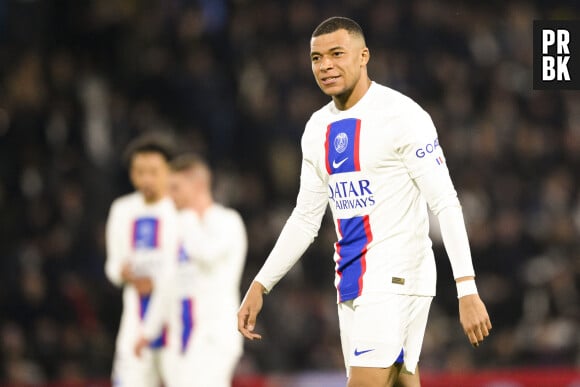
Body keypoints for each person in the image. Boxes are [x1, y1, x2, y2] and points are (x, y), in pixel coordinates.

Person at [237, 16, 492, 387]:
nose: (326, 65)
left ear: (363, 56)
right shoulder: (316, 128)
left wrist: (466, 288)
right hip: (351, 281)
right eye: (316, 58)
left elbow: (446, 203)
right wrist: (260, 284)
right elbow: (306, 219)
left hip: (396, 276)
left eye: (337, 54)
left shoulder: (402, 115)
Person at [135, 153, 248, 387]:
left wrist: (186, 219)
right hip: (181, 337)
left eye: (175, 187)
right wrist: (148, 331)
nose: (169, 196)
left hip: (213, 335)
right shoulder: (178, 227)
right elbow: (166, 282)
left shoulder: (227, 221)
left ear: (198, 185)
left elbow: (205, 254)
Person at [105, 133, 179, 387]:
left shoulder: (179, 209)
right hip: (135, 319)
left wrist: (160, 283)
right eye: (139, 171)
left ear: (169, 171)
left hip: (176, 320)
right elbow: (113, 264)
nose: (146, 178)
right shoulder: (122, 209)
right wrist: (122, 273)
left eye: (154, 171)